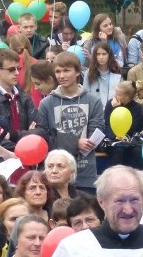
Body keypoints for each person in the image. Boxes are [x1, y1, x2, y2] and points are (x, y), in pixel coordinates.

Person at [36, 51, 105, 194]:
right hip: (56, 176)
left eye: (66, 70)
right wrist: (75, 142)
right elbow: (45, 137)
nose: (62, 76)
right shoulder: (46, 103)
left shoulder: (93, 101)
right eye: (58, 71)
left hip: (85, 173)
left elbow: (95, 134)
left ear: (78, 72)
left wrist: (82, 143)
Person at [0, 48, 41, 150]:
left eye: (18, 68)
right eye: (11, 69)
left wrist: (14, 136)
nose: (17, 73)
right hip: (3, 160)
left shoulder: (24, 96)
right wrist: (26, 139)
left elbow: (40, 129)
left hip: (29, 154)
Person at [104, 81, 143, 169]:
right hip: (113, 139)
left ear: (127, 97)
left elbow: (135, 128)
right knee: (118, 149)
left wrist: (118, 108)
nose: (115, 96)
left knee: (138, 151)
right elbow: (106, 124)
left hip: (130, 139)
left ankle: (141, 176)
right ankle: (114, 176)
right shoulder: (110, 104)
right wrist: (114, 136)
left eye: (118, 94)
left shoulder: (137, 108)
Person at [83, 41, 123, 108]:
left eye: (104, 54)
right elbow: (85, 94)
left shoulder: (116, 72)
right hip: (94, 110)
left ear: (109, 55)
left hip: (112, 109)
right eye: (98, 54)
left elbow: (119, 95)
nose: (101, 57)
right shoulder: (89, 73)